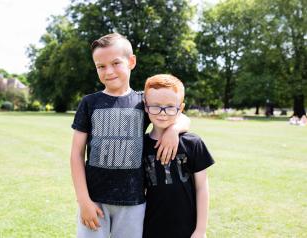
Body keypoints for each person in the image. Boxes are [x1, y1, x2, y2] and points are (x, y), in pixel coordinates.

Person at [70, 33, 190, 238]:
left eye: (116, 63)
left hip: (133, 201)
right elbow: (76, 155)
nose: (108, 71)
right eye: (101, 66)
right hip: (94, 200)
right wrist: (83, 201)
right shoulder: (89, 103)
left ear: (131, 61)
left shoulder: (143, 102)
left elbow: (182, 117)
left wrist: (173, 130)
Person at [142, 74, 214, 238]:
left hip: (187, 228)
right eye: (155, 106)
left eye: (169, 107)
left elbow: (202, 187)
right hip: (150, 227)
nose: (162, 113)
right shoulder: (141, 145)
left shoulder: (192, 143)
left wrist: (201, 230)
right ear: (146, 106)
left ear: (180, 108)